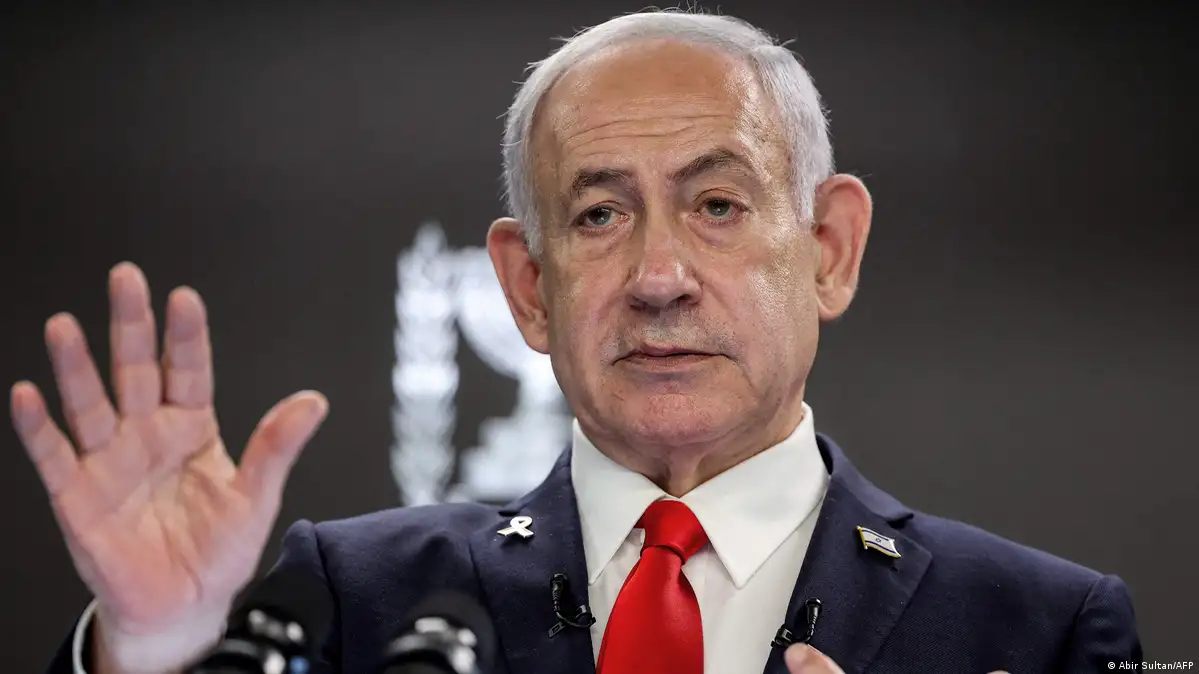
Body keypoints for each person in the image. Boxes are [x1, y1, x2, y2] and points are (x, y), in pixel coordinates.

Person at [15, 10, 1139, 674]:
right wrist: (149, 652)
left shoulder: (1040, 629)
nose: (657, 277)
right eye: (599, 215)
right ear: (528, 287)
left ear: (829, 249)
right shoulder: (352, 603)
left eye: (716, 204)